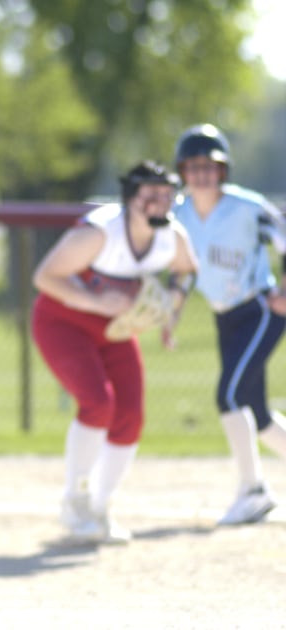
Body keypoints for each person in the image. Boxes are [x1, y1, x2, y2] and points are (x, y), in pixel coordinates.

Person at [31, 160, 198, 544]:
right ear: (130, 197)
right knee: (97, 403)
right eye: (150, 194)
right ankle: (74, 501)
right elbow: (44, 277)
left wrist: (173, 305)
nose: (160, 202)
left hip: (117, 328)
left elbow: (187, 271)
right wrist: (94, 301)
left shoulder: (173, 236)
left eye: (166, 194)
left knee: (131, 416)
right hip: (64, 321)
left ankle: (100, 508)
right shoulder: (100, 232)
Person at [173, 123, 286, 526]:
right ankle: (255, 491)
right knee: (255, 412)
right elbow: (178, 268)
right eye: (194, 166)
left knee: (230, 396)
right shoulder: (178, 212)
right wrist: (170, 310)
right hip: (224, 315)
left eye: (211, 165)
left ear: (223, 171)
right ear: (183, 171)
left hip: (259, 309)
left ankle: (253, 491)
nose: (202, 173)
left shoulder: (246, 206)